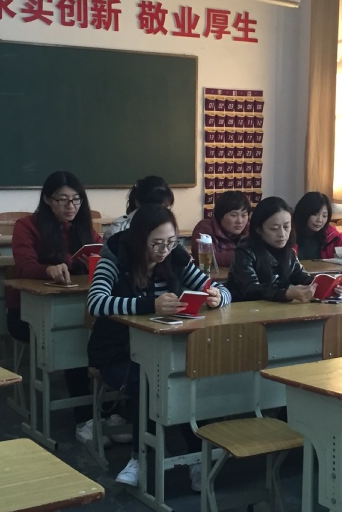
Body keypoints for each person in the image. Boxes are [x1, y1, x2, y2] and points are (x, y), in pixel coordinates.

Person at [87, 204, 231, 489]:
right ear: (139, 239)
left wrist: (217, 297)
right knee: (150, 381)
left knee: (185, 379)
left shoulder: (175, 257)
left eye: (170, 241)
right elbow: (96, 302)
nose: (164, 249)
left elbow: (223, 290)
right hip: (119, 353)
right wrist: (149, 305)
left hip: (167, 352)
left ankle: (196, 458)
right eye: (156, 243)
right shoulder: (115, 257)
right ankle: (139, 458)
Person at [6, 170, 102, 443]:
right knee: (74, 338)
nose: (71, 206)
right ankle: (84, 418)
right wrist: (48, 269)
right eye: (63, 199)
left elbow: (103, 253)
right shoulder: (27, 226)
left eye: (76, 199)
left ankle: (107, 411)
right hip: (26, 313)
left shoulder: (83, 227)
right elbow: (24, 266)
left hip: (75, 308)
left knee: (104, 333)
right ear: (48, 200)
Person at [227, 196, 342, 302]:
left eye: (286, 227)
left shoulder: (289, 252)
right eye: (274, 228)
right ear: (258, 229)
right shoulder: (245, 252)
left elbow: (301, 277)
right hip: (246, 312)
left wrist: (329, 286)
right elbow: (251, 289)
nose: (282, 234)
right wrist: (285, 294)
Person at [292, 191, 342, 260]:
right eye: (315, 214)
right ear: (304, 213)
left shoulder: (330, 234)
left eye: (324, 216)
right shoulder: (289, 233)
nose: (320, 220)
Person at [190, 190, 251, 268]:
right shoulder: (205, 228)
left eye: (244, 215)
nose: (239, 221)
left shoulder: (250, 229)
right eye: (233, 215)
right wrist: (244, 256)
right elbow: (208, 257)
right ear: (220, 215)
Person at [103, 175, 174, 240]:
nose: (158, 212)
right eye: (152, 207)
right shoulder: (118, 229)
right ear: (137, 202)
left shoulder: (170, 226)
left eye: (164, 208)